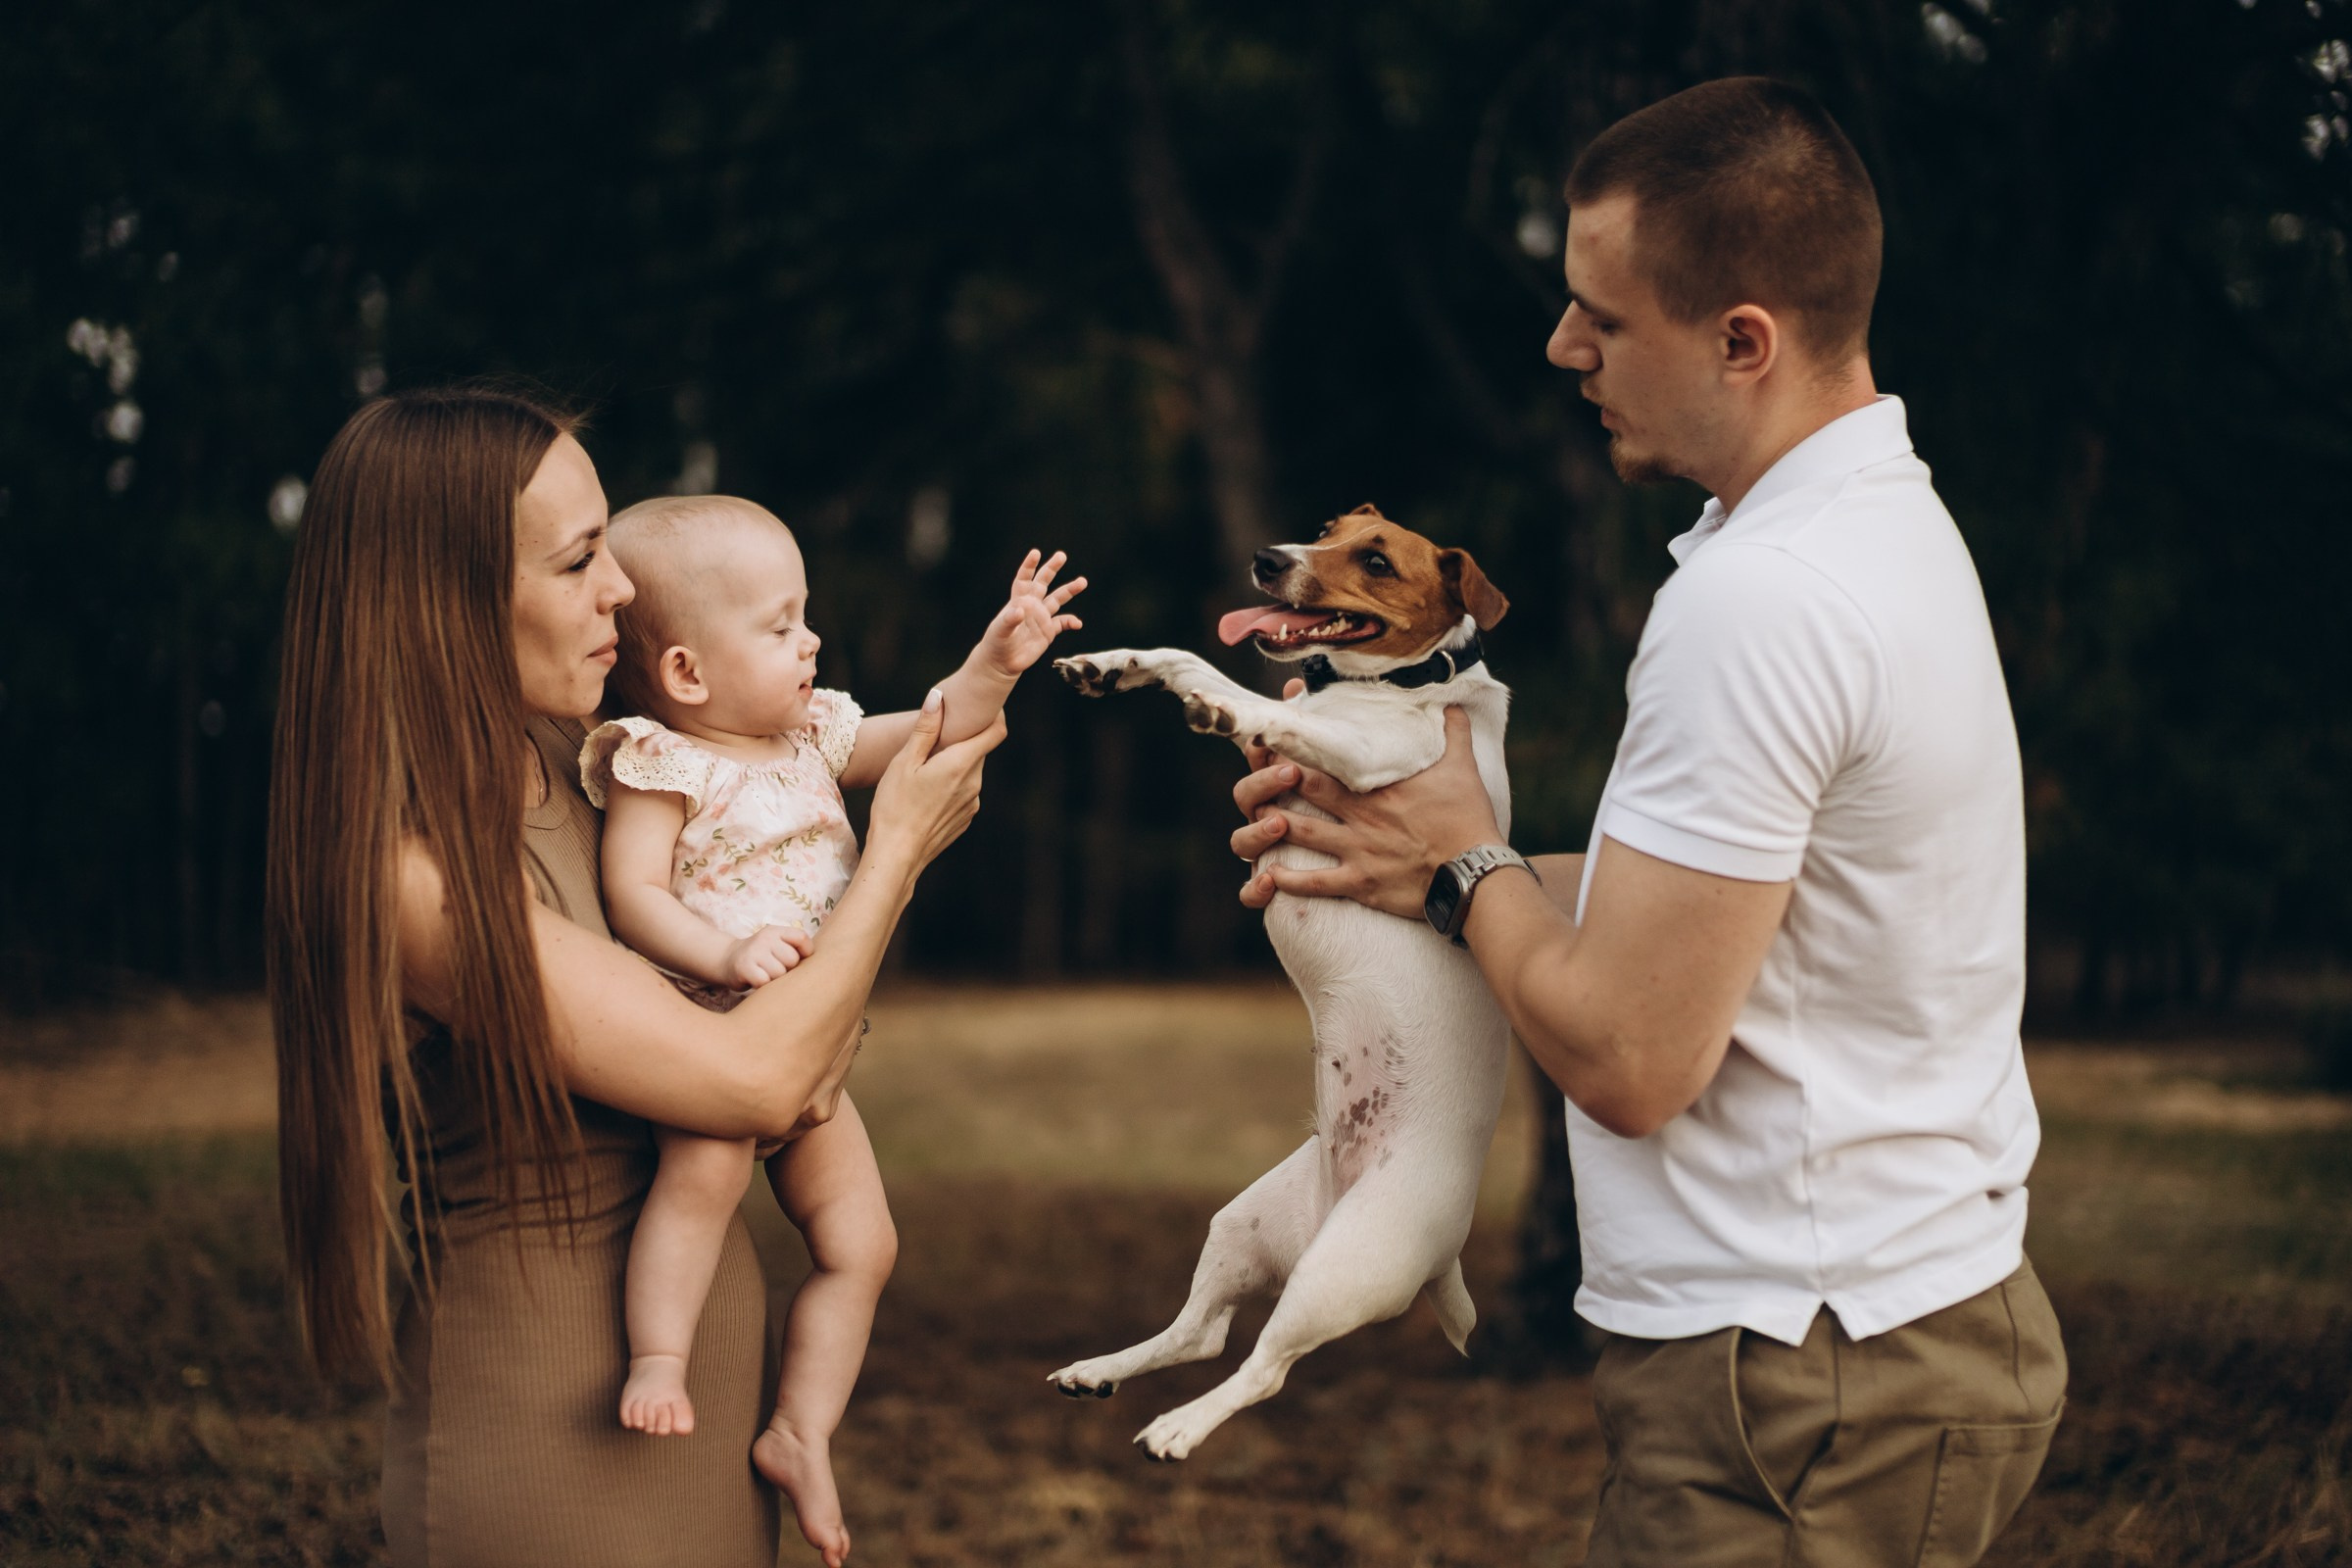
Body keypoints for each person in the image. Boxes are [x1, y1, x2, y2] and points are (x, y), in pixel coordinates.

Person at [1228, 78, 2065, 1566]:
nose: (1564, 348)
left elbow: (1628, 1056)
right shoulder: (1875, 527)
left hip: (1805, 1381)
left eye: (1602, 318)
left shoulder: (1760, 600)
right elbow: (1753, 908)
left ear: (1744, 340)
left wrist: (1466, 860)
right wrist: (1409, 865)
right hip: (1861, 1344)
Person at [267, 386, 1002, 1568]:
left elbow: (796, 1012)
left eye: (610, 545)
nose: (619, 587)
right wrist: (898, 853)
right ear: (447, 599)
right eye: (576, 560)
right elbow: (757, 1080)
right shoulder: (414, 877)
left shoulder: (603, 762)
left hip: (704, 1410)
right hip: (547, 1436)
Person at [581, 493, 1084, 1565]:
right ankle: (658, 1359)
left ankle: (799, 1429)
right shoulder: (666, 762)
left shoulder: (811, 734)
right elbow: (633, 896)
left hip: (810, 1052)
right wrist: (723, 957)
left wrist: (996, 660)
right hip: (714, 1033)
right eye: (779, 625)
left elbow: (934, 733)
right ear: (685, 674)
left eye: (804, 615)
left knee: (864, 1245)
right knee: (699, 1187)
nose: (810, 640)